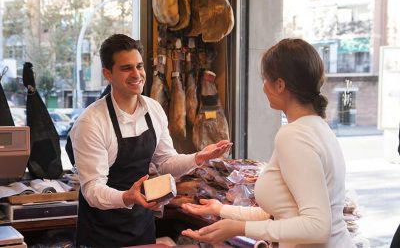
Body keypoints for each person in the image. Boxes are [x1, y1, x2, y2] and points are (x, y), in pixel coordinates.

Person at [181, 38, 356, 248]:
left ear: (280, 85)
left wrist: (239, 228)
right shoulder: (318, 127)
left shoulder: (294, 135)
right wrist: (221, 210)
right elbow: (285, 212)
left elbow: (318, 226)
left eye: (265, 79)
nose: (263, 86)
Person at [70, 34, 232, 247]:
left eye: (139, 66)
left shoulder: (153, 109)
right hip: (101, 234)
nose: (136, 74)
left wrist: (198, 157)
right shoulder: (91, 122)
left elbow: (165, 163)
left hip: (141, 227)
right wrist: (128, 197)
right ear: (107, 74)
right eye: (126, 68)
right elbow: (92, 190)